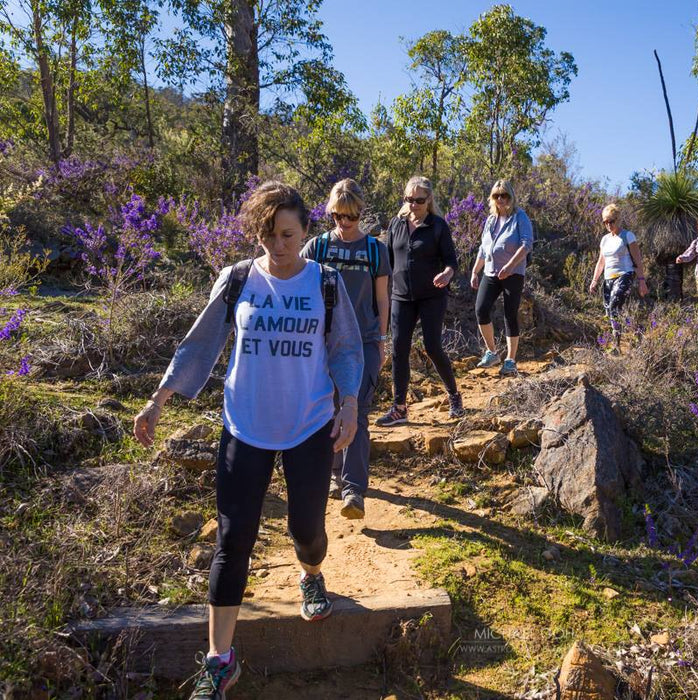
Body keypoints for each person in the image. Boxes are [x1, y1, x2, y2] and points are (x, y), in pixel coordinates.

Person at [132, 181, 364, 700]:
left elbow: (347, 351)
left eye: (287, 234)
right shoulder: (237, 279)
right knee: (233, 540)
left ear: (306, 232)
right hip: (244, 425)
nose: (277, 245)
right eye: (267, 234)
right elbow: (199, 345)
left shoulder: (324, 283)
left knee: (308, 531)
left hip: (307, 425)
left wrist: (348, 404)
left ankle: (311, 575)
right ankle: (220, 661)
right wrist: (159, 400)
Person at [301, 179, 390, 520]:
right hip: (323, 342)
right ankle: (334, 474)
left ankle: (353, 489)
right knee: (328, 408)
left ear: (360, 214)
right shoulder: (318, 248)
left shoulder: (374, 250)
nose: (344, 223)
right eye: (338, 216)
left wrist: (382, 341)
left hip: (364, 341)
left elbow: (382, 299)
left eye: (350, 217)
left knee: (357, 408)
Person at [376, 175, 462, 426]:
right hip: (401, 296)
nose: (413, 205)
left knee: (433, 346)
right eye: (408, 199)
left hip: (432, 296)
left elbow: (451, 261)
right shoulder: (396, 224)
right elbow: (388, 262)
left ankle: (454, 395)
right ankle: (399, 408)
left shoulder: (437, 226)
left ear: (429, 200)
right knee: (399, 348)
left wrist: (447, 273)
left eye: (418, 200)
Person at [471, 179, 533, 377]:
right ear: (492, 198)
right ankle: (492, 352)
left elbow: (526, 244)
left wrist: (510, 266)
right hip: (491, 271)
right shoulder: (490, 220)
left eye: (504, 195)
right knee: (481, 309)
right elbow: (484, 249)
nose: (501, 199)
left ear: (511, 196)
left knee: (509, 314)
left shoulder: (520, 217)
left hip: (513, 273)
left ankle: (510, 360)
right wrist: (475, 271)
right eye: (496, 196)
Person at [589, 203, 648, 352]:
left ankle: (616, 345)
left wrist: (642, 281)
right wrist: (595, 280)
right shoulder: (604, 240)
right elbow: (601, 262)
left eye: (611, 221)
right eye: (605, 222)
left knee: (615, 305)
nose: (608, 225)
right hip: (608, 278)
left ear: (618, 219)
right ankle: (637, 330)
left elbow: (638, 260)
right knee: (610, 311)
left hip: (624, 275)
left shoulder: (628, 236)